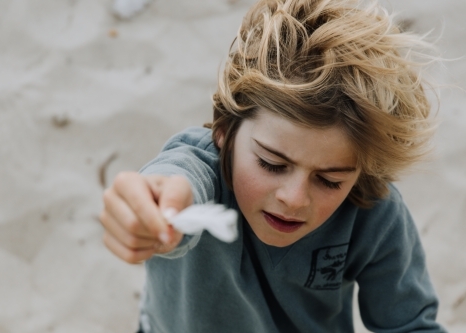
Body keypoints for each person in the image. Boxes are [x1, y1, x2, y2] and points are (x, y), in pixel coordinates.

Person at [100, 0, 447, 332]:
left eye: (329, 181)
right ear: (224, 131)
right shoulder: (197, 166)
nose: (295, 199)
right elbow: (175, 181)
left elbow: (411, 324)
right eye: (271, 164)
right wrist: (155, 208)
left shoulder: (375, 213)